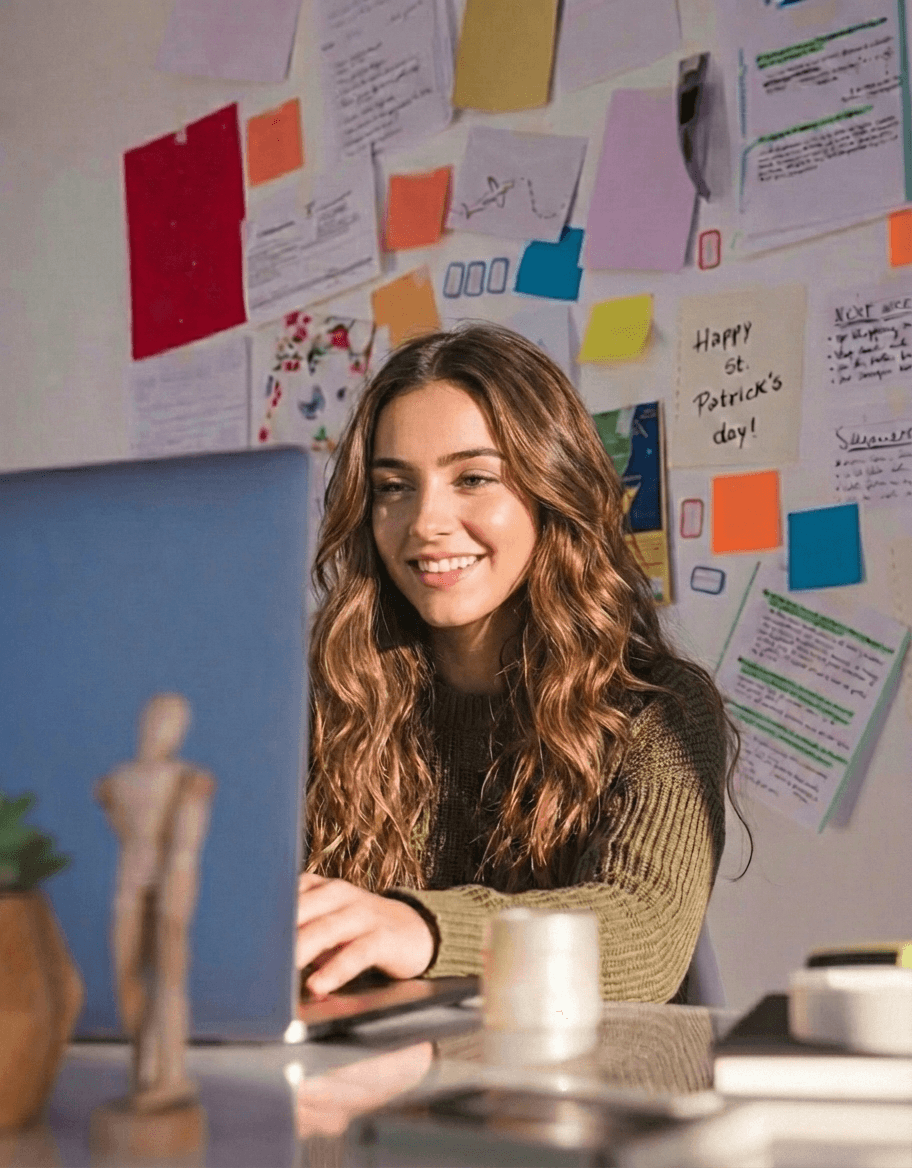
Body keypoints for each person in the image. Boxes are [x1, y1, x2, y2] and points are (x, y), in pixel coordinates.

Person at [296, 323, 739, 1004]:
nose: (425, 522)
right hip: (372, 1086)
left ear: (551, 490)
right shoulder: (328, 706)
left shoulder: (660, 711)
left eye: (473, 478)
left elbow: (643, 934)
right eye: (393, 487)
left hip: (585, 1098)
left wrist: (422, 928)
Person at [95, 693, 215, 1110]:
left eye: (173, 721)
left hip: (171, 887)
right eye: (158, 718)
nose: (162, 728)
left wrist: (173, 900)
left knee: (168, 981)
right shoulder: (116, 782)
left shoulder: (189, 779)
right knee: (127, 975)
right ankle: (144, 1068)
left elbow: (186, 845)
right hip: (129, 884)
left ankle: (170, 1073)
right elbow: (119, 825)